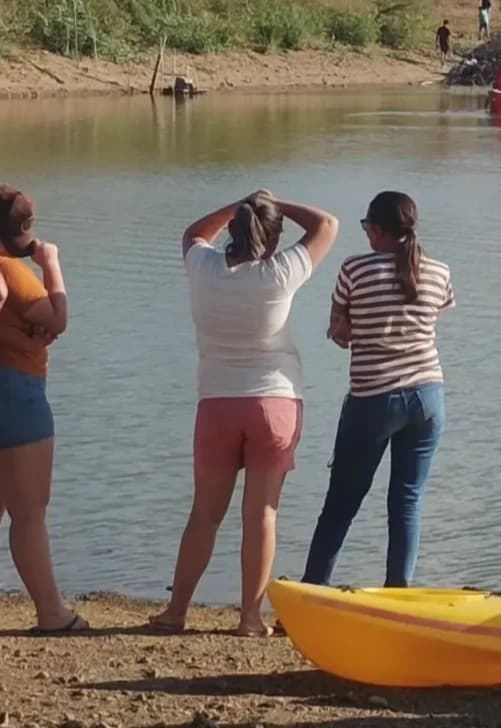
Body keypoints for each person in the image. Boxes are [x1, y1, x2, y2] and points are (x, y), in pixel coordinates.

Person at [150, 190, 339, 637]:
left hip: (216, 404)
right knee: (262, 515)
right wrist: (279, 203)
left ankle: (176, 612)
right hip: (274, 403)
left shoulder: (204, 268)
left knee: (204, 514)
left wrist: (242, 202)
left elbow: (194, 233)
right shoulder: (279, 273)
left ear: (232, 230)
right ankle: (250, 619)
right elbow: (327, 225)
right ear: (272, 241)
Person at [301, 191, 454, 588]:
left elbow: (340, 332)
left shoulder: (355, 270)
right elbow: (430, 319)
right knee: (407, 502)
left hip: (374, 399)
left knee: (341, 504)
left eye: (368, 226)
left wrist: (350, 328)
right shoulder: (438, 271)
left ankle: (313, 591)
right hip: (428, 397)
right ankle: (397, 595)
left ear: (380, 230)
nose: (366, 232)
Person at [0, 186, 88, 634]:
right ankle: (52, 612)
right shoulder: (11, 272)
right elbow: (57, 319)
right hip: (17, 392)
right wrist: (50, 263)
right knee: (29, 510)